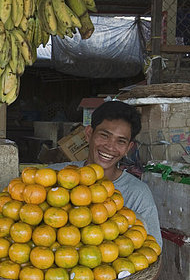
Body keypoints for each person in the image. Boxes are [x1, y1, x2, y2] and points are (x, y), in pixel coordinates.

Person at [51, 100, 162, 247]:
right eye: (104, 135)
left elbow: (153, 252)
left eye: (120, 141)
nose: (110, 147)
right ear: (89, 133)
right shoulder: (56, 175)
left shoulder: (137, 193)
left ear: (128, 147)